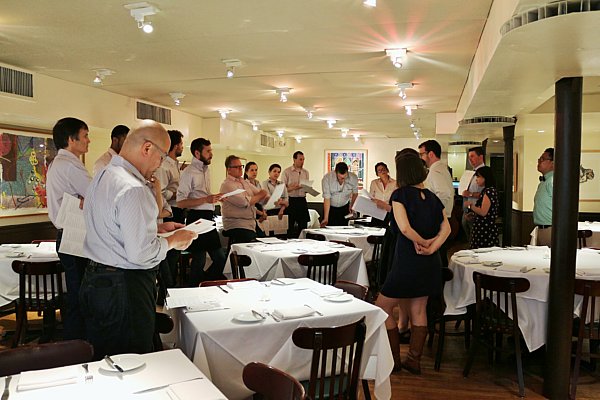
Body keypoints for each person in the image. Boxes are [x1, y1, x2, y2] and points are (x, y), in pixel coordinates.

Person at [81, 120, 197, 358]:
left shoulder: (103, 174)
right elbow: (140, 254)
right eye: (162, 156)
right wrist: (173, 240)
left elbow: (113, 229)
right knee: (131, 360)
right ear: (147, 148)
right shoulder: (134, 187)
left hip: (95, 280)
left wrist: (155, 229)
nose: (161, 164)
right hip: (125, 286)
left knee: (106, 356)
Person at [376, 150, 451, 374]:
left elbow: (405, 228)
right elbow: (446, 228)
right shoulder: (432, 198)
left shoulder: (399, 195)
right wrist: (432, 247)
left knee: (382, 307)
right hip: (429, 261)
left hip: (407, 259)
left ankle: (395, 360)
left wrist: (421, 242)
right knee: (419, 309)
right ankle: (414, 360)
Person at [46, 117, 91, 340]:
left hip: (66, 234)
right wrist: (88, 198)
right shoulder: (70, 165)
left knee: (77, 292)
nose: (88, 141)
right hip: (74, 233)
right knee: (80, 294)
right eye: (85, 136)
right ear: (71, 140)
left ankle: (76, 342)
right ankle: (78, 344)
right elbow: (96, 195)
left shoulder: (57, 163)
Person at [176, 138, 226, 286]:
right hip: (196, 218)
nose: (211, 154)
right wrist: (206, 199)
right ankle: (194, 290)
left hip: (208, 217)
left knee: (220, 258)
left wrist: (214, 198)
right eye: (208, 151)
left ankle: (205, 284)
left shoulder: (207, 170)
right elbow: (180, 202)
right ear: (197, 153)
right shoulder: (188, 172)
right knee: (199, 260)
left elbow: (204, 197)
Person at [155, 130, 184, 285]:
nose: (182, 147)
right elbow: (161, 192)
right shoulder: (164, 166)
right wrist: (178, 194)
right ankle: (168, 288)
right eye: (181, 144)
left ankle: (171, 286)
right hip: (169, 212)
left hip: (176, 210)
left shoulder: (175, 164)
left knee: (175, 252)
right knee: (170, 253)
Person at [419, 139, 454, 268]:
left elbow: (444, 194)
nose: (421, 157)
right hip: (442, 217)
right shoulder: (440, 168)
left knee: (437, 256)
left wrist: (431, 211)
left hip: (438, 220)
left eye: (422, 154)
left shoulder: (435, 171)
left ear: (431, 154)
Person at [220, 155, 269, 243]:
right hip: (237, 224)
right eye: (236, 167)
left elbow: (259, 194)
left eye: (241, 166)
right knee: (254, 244)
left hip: (250, 223)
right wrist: (261, 195)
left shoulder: (243, 181)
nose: (240, 169)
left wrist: (273, 200)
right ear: (229, 169)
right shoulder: (227, 185)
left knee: (265, 241)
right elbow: (244, 202)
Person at [466, 166, 499, 249]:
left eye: (478, 176)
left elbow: (483, 212)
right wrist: (473, 214)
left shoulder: (489, 191)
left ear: (485, 178)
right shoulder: (487, 190)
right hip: (483, 227)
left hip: (485, 229)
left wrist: (470, 205)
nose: (476, 179)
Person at [321, 162, 358, 227]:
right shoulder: (327, 178)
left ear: (347, 171)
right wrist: (326, 218)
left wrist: (352, 208)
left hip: (344, 208)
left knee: (344, 230)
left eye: (344, 177)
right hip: (330, 209)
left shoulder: (353, 178)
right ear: (335, 172)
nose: (342, 180)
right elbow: (327, 198)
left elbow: (355, 194)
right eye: (340, 177)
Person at [460, 146, 485, 242]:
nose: (470, 160)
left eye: (472, 156)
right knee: (469, 237)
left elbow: (485, 193)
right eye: (469, 157)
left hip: (476, 211)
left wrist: (470, 194)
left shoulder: (484, 172)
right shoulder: (470, 173)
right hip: (466, 209)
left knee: (475, 238)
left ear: (480, 157)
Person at [283, 151, 310, 237]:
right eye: (300, 159)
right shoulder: (287, 172)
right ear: (294, 159)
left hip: (302, 200)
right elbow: (282, 190)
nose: (302, 161)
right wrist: (294, 187)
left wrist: (308, 189)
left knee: (303, 226)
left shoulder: (306, 172)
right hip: (291, 200)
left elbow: (306, 187)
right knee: (290, 226)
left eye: (303, 159)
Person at [533, 148, 554, 246]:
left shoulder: (553, 181)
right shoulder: (544, 182)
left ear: (553, 163)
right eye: (539, 159)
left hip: (550, 229)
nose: (539, 162)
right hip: (541, 229)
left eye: (542, 159)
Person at [244, 161, 267, 237]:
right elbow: (249, 203)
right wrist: (261, 213)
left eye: (256, 170)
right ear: (246, 172)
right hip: (252, 212)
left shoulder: (257, 183)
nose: (254, 172)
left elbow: (262, 199)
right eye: (252, 170)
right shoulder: (245, 184)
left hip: (260, 211)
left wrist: (263, 212)